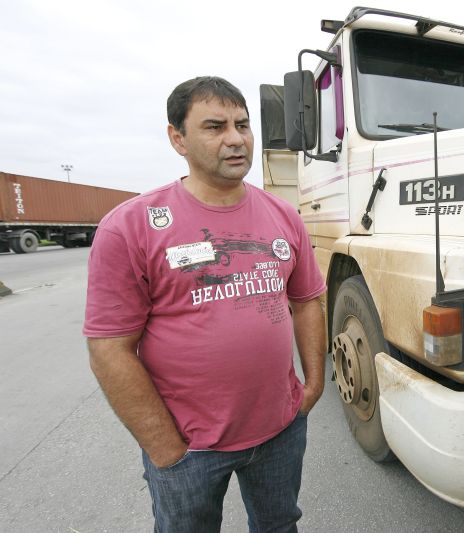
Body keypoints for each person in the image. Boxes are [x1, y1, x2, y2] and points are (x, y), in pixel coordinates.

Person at [83, 76, 326, 533]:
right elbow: (109, 348)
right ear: (178, 138)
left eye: (243, 124)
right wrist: (164, 447)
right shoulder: (131, 227)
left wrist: (312, 386)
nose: (235, 139)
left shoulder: (283, 215)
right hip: (188, 447)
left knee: (279, 525)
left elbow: (308, 300)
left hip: (280, 431)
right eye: (214, 126)